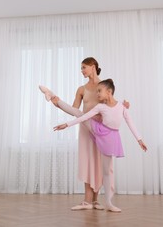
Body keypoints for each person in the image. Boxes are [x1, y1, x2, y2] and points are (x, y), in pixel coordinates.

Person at [40, 57, 129, 211]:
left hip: (102, 130)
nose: (81, 71)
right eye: (81, 68)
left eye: (83, 67)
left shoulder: (104, 86)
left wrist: (124, 106)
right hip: (86, 128)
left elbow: (111, 103)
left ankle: (95, 200)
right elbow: (75, 110)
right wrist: (58, 104)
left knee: (101, 163)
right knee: (87, 161)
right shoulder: (81, 89)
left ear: (92, 66)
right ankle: (87, 200)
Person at [53, 79, 147, 212]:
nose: (97, 94)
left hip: (110, 138)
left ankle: (109, 203)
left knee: (107, 171)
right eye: (97, 91)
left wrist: (139, 139)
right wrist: (67, 124)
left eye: (99, 91)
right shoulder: (100, 107)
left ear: (109, 92)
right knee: (78, 113)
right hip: (97, 129)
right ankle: (55, 99)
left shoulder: (121, 106)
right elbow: (83, 117)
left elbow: (130, 122)